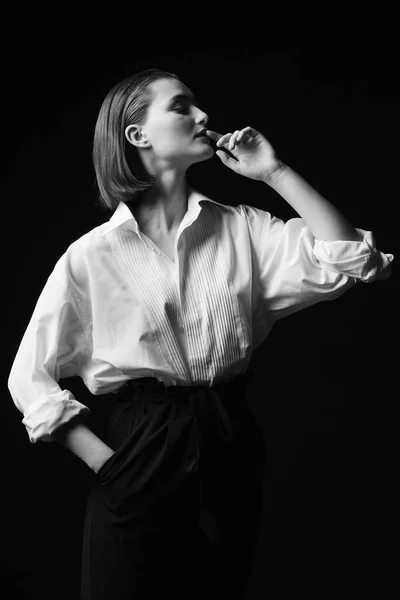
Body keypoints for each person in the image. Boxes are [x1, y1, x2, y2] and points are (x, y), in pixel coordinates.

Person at [8, 68, 393, 600]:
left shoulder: (242, 227)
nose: (203, 116)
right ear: (137, 135)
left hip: (228, 436)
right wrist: (110, 466)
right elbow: (28, 375)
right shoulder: (91, 254)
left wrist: (275, 172)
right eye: (181, 106)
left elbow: (350, 259)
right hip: (139, 443)